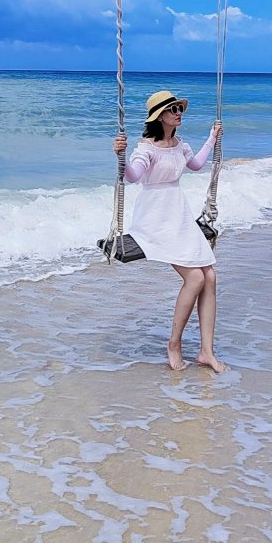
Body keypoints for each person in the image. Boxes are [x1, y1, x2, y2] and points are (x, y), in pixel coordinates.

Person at [113, 90, 227, 374]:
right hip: (155, 217)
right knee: (195, 277)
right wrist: (120, 156)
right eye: (172, 109)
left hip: (179, 215)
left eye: (179, 109)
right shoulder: (146, 149)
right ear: (159, 116)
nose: (178, 112)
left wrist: (212, 138)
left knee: (209, 276)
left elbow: (197, 165)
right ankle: (173, 344)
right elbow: (132, 176)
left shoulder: (180, 145)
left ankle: (206, 352)